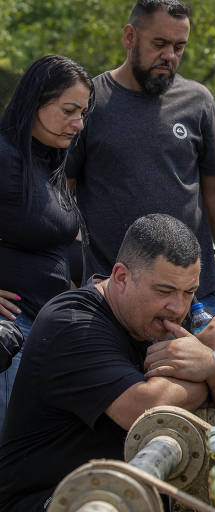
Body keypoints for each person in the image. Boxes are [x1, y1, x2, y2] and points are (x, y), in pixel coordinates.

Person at [0, 214, 215, 512]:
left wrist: (211, 365)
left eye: (189, 292)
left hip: (117, 491)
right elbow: (147, 409)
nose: (178, 307)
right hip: (54, 500)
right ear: (120, 277)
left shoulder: (157, 315)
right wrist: (210, 367)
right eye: (164, 291)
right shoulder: (73, 324)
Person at [64, 0, 215, 329]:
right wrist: (66, 275)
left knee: (211, 375)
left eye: (179, 47)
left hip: (194, 296)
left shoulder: (198, 101)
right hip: (113, 296)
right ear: (130, 37)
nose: (170, 56)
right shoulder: (92, 100)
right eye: (159, 44)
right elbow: (64, 193)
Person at [0, 55, 92, 430]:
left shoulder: (50, 162)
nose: (79, 123)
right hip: (11, 333)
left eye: (83, 112)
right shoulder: (5, 158)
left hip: (45, 328)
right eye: (69, 110)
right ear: (36, 101)